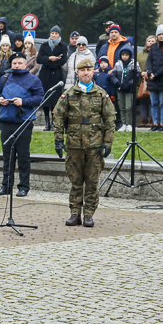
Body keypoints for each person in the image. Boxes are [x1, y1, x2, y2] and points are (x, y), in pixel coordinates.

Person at [53, 58, 116, 228]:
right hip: (74, 144)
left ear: (93, 72)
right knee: (75, 181)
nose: (86, 73)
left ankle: (88, 214)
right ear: (77, 73)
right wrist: (58, 139)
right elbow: (58, 116)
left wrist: (108, 142)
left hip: (95, 145)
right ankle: (75, 213)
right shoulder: (68, 94)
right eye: (83, 70)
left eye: (89, 70)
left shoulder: (101, 94)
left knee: (92, 181)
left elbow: (110, 118)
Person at [0, 54, 44, 197]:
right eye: (14, 63)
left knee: (23, 155)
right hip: (6, 120)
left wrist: (23, 101)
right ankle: (6, 185)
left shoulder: (33, 80)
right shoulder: (4, 78)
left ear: (25, 64)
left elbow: (40, 98)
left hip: (24, 122)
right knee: (7, 155)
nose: (17, 65)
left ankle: (23, 187)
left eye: (20, 63)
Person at [36, 26, 68, 131]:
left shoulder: (63, 46)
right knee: (46, 99)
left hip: (56, 75)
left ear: (59, 35)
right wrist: (49, 59)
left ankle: (54, 123)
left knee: (55, 100)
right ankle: (47, 123)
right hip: (45, 74)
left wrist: (54, 62)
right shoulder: (44, 45)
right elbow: (39, 59)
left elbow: (63, 60)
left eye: (56, 33)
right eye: (52, 33)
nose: (54, 35)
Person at [113, 44, 140, 132]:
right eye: (123, 55)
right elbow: (113, 76)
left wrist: (130, 84)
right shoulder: (118, 64)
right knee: (121, 107)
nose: (124, 57)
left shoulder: (134, 63)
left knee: (129, 107)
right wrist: (118, 83)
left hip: (129, 89)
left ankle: (129, 124)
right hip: (120, 89)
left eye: (126, 55)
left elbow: (137, 76)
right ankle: (123, 123)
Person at [94, 56, 119, 130]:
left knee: (107, 111)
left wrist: (113, 95)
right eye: (101, 63)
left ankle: (110, 125)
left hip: (107, 95)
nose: (103, 64)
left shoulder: (110, 74)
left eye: (105, 63)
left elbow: (112, 86)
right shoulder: (96, 74)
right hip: (97, 95)